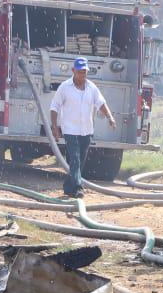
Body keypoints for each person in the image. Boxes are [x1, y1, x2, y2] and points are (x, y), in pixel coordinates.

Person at [49, 57, 117, 197]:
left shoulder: (92, 88)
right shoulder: (65, 87)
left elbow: (101, 103)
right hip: (70, 130)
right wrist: (54, 127)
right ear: (73, 71)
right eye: (80, 72)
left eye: (84, 72)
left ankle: (68, 187)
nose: (82, 75)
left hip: (86, 131)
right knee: (75, 159)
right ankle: (79, 188)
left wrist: (110, 117)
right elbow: (54, 107)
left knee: (79, 162)